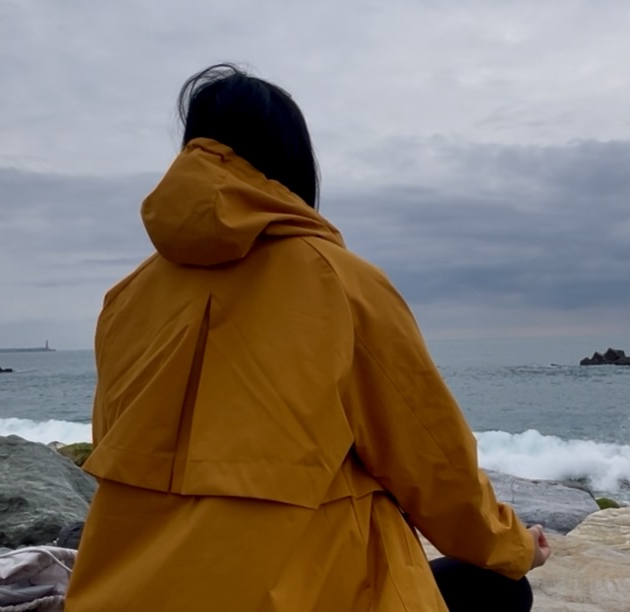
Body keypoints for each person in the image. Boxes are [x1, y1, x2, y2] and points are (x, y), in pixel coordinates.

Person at [65, 63, 551, 611]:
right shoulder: (339, 281)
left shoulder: (124, 299)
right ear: (292, 163)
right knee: (502, 588)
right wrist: (515, 546)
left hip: (124, 593)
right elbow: (433, 465)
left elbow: (112, 446)